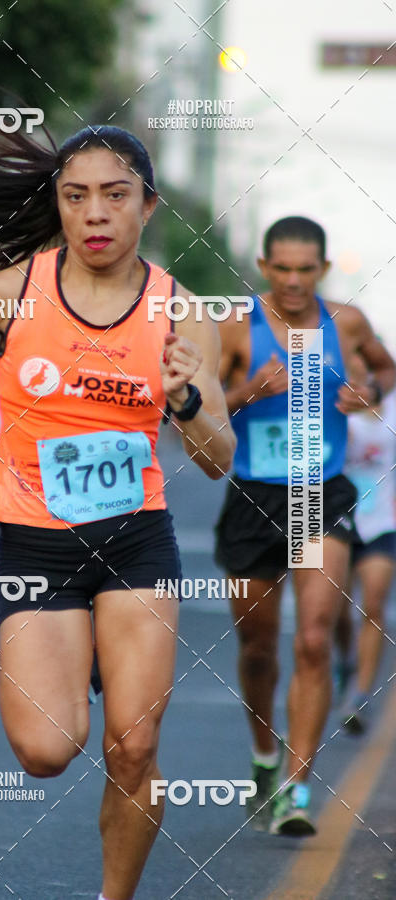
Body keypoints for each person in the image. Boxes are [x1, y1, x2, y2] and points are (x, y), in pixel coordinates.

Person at [0, 123, 236, 900]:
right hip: (39, 549)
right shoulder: (11, 293)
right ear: (59, 205)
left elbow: (218, 457)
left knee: (135, 745)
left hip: (138, 545)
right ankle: (74, 658)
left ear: (148, 206)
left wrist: (185, 398)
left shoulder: (181, 311)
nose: (94, 213)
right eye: (75, 196)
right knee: (46, 750)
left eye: (115, 196)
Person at [215, 216, 396, 836]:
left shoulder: (346, 322)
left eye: (306, 270)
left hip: (322, 493)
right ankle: (265, 757)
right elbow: (191, 410)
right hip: (253, 496)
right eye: (282, 268)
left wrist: (368, 389)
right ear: (265, 267)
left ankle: (295, 789)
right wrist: (246, 392)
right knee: (258, 649)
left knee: (314, 640)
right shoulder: (235, 327)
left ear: (321, 269)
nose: (294, 282)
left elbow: (385, 370)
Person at [336, 362, 396, 733]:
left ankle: (359, 696)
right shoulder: (332, 405)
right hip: (336, 522)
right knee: (336, 612)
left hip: (381, 523)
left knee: (373, 603)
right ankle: (346, 661)